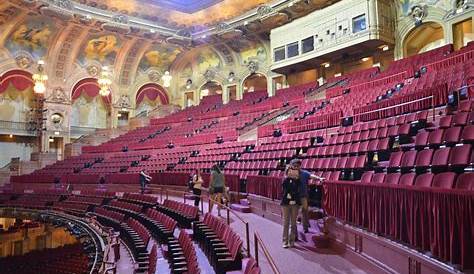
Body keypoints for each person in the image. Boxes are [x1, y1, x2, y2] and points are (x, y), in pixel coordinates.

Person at [289, 158, 325, 233]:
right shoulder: (290, 174)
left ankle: (305, 227)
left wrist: (319, 178)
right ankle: (294, 232)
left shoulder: (304, 173)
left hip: (303, 196)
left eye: (297, 166)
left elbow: (311, 176)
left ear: (300, 166)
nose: (295, 167)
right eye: (294, 166)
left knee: (304, 212)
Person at [281, 164, 302, 248]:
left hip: (295, 204)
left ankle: (291, 241)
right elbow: (286, 192)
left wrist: (296, 180)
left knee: (293, 224)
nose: (291, 172)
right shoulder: (285, 180)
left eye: (292, 171)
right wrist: (290, 200)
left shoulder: (297, 181)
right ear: (287, 172)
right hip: (286, 203)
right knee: (286, 223)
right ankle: (285, 242)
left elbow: (298, 192)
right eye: (289, 171)